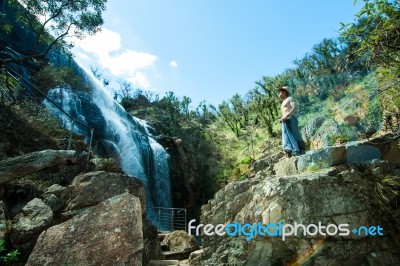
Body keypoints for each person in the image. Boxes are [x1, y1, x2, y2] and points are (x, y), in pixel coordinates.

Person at [277, 86, 305, 158]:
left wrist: (287, 115)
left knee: (295, 135)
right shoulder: (283, 102)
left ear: (284, 92)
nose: (279, 93)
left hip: (291, 119)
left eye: (280, 92)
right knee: (286, 137)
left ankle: (301, 150)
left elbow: (295, 107)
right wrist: (283, 118)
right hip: (285, 120)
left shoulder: (290, 98)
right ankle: (289, 152)